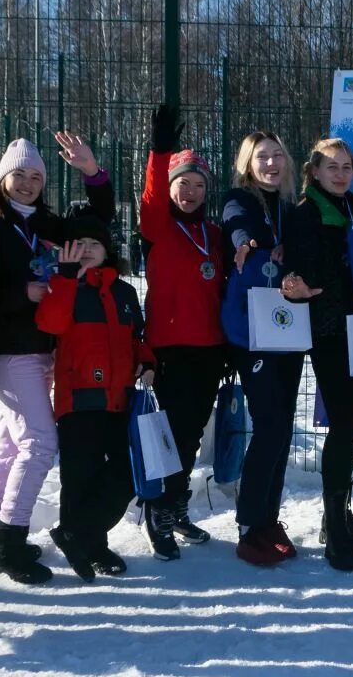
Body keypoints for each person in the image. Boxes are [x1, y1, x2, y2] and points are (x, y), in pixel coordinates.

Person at [0, 133, 113, 585]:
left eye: (35, 176)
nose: (27, 183)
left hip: (43, 344)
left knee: (11, 445)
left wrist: (92, 173)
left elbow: (97, 223)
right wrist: (21, 293)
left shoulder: (46, 223)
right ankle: (7, 547)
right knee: (39, 443)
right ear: (1, 178)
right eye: (19, 175)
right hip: (12, 349)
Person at [279, 137, 353, 572]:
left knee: (352, 423)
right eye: (332, 167)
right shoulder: (306, 214)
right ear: (315, 172)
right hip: (330, 333)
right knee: (343, 426)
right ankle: (335, 530)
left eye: (346, 166)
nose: (341, 173)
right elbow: (309, 272)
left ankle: (336, 515)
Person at [35, 205, 150, 582]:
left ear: (106, 249)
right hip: (77, 400)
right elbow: (50, 322)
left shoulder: (125, 292)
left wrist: (147, 363)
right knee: (79, 477)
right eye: (78, 243)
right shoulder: (63, 287)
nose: (86, 249)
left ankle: (77, 536)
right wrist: (66, 280)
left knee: (122, 478)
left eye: (94, 243)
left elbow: (138, 338)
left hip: (119, 400)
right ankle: (91, 546)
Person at [139, 105, 232, 559]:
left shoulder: (215, 235)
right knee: (169, 435)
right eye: (183, 185)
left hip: (209, 349)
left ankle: (175, 506)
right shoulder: (158, 229)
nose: (190, 192)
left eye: (198, 185)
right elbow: (153, 196)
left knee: (193, 433)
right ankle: (157, 510)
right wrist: (160, 152)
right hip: (170, 349)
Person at [224, 129, 304, 567]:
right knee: (270, 424)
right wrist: (245, 246)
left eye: (277, 155)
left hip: (288, 329)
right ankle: (249, 525)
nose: (271, 163)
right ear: (248, 165)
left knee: (283, 426)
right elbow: (238, 228)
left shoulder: (290, 208)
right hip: (251, 332)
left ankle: (268, 519)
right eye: (262, 158)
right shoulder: (241, 200)